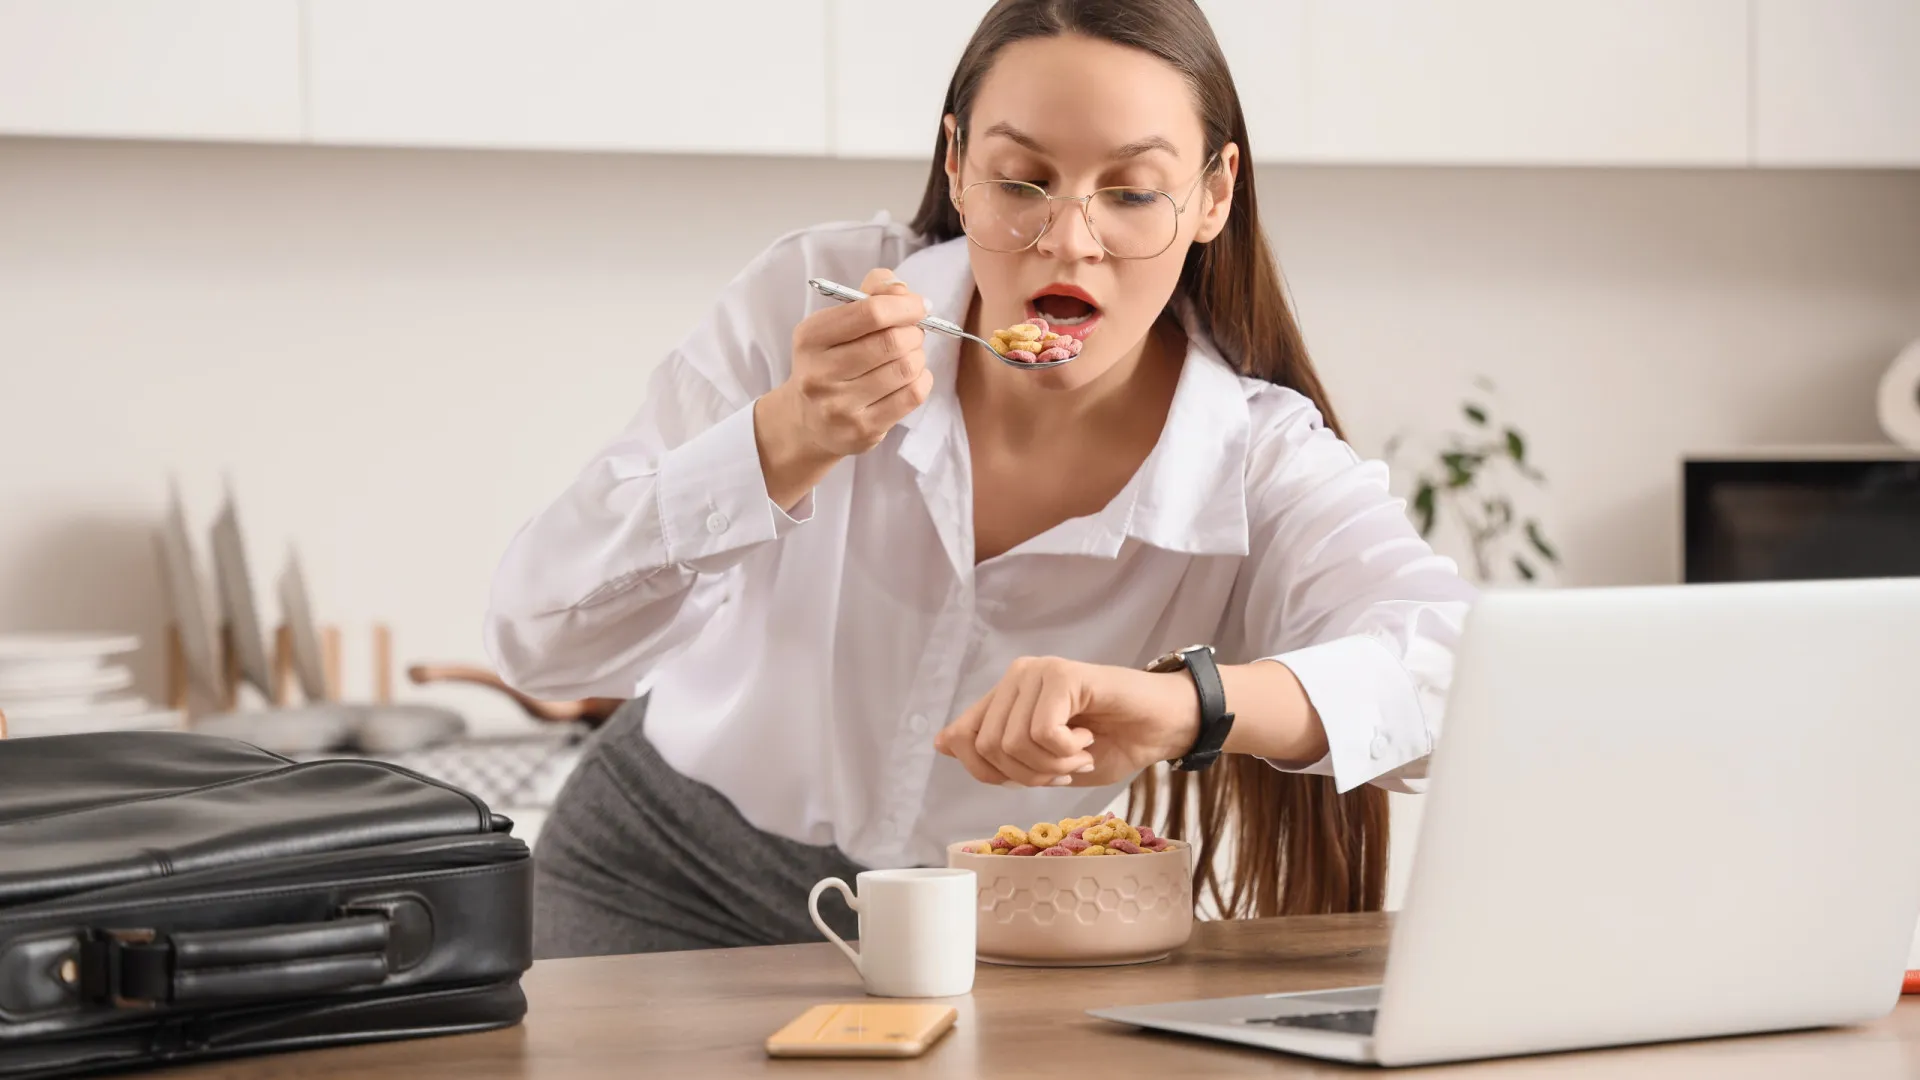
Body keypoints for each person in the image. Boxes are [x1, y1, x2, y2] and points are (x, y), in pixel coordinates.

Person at [484, 0, 1475, 960]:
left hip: (994, 927)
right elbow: (539, 641)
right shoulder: (810, 305)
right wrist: (784, 438)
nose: (1068, 239)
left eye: (1132, 192)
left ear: (1213, 195)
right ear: (957, 165)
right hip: (654, 878)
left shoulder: (1255, 458)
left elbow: (1459, 678)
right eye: (1021, 181)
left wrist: (1189, 706)